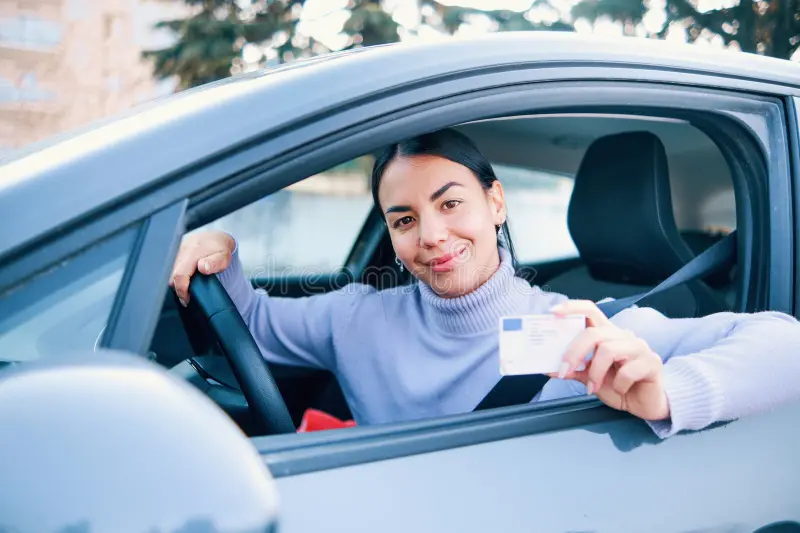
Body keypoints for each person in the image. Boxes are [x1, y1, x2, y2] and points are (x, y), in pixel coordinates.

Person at [170, 128, 800, 438]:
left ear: (495, 202)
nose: (433, 237)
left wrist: (669, 391)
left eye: (451, 204)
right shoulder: (354, 318)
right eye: (406, 220)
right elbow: (245, 326)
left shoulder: (575, 330)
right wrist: (217, 252)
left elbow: (786, 346)